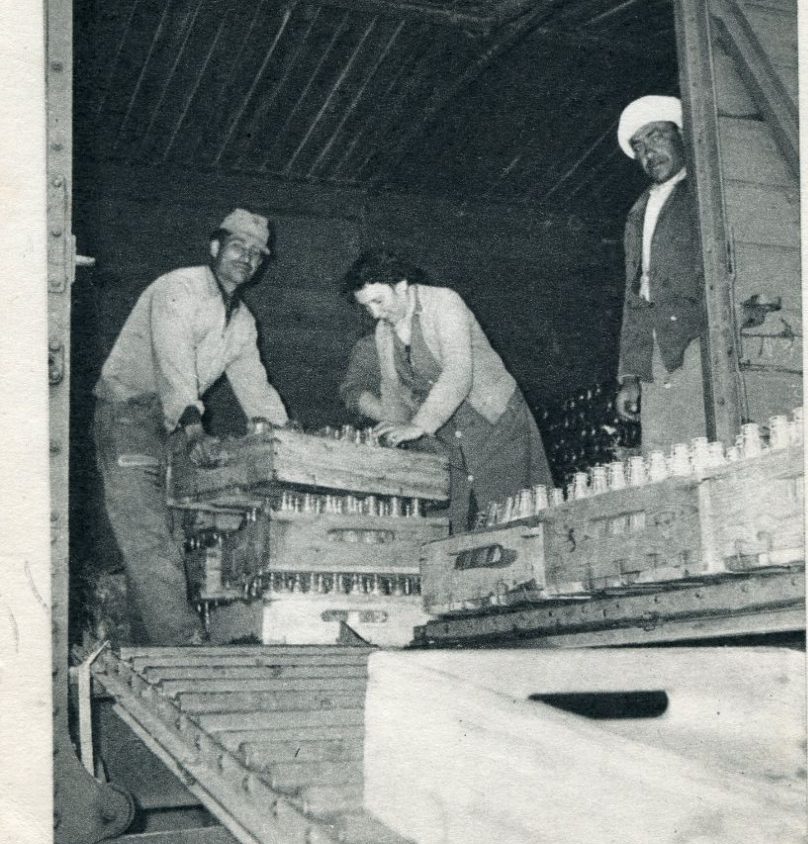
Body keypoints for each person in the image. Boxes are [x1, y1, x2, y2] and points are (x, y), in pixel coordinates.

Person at [93, 208, 289, 644]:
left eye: (257, 254)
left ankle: (152, 643)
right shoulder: (179, 287)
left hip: (176, 421)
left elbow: (256, 388)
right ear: (215, 246)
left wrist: (286, 440)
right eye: (238, 247)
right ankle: (183, 642)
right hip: (131, 412)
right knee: (147, 533)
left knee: (174, 535)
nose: (247, 259)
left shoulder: (241, 321)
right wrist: (190, 423)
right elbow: (172, 359)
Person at [341, 250, 552, 532]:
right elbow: (392, 388)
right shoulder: (384, 331)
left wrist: (418, 425)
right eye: (367, 306)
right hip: (447, 425)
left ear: (401, 285)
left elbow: (458, 374)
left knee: (510, 512)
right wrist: (395, 431)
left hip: (492, 418)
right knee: (459, 516)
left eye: (379, 301)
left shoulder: (444, 303)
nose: (375, 313)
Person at [614, 95, 707, 453]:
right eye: (638, 146)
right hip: (658, 351)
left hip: (699, 339)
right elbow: (635, 296)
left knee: (703, 445)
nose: (648, 153)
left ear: (682, 134)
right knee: (662, 452)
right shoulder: (639, 211)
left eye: (656, 136)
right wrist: (631, 376)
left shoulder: (704, 189)